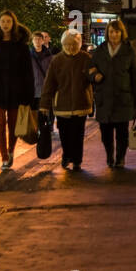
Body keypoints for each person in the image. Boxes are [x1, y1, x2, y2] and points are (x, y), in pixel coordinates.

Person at [0, 11, 36, 172]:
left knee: (13, 125)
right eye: (3, 21)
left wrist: (28, 94)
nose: (5, 24)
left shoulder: (21, 44)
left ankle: (11, 150)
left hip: (16, 91)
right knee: (0, 125)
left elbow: (27, 71)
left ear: (13, 23)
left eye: (8, 21)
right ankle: (4, 156)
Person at [90, 19, 136, 169]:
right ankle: (109, 155)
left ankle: (120, 158)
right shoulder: (100, 50)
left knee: (121, 132)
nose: (114, 35)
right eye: (111, 31)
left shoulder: (129, 51)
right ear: (107, 33)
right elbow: (90, 68)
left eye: (117, 31)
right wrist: (95, 76)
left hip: (123, 98)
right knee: (105, 132)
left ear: (121, 33)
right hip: (104, 99)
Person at [40, 29, 94, 172]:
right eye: (68, 44)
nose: (71, 47)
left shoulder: (86, 58)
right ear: (63, 44)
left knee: (78, 134)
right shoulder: (57, 60)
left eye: (74, 44)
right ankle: (66, 155)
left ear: (79, 44)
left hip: (81, 103)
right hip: (62, 105)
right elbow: (49, 83)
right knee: (64, 133)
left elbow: (92, 78)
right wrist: (44, 104)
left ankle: (77, 160)